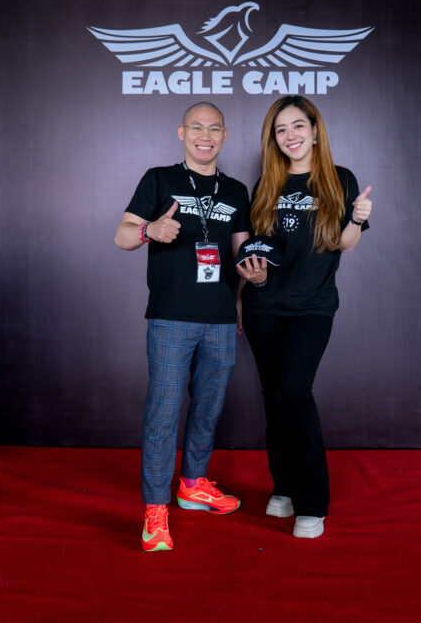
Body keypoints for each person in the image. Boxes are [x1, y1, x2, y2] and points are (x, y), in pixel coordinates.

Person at [115, 101, 251, 552]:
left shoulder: (236, 191)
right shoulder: (159, 179)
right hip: (171, 316)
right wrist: (149, 231)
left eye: (214, 129)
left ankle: (193, 484)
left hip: (219, 320)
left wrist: (245, 290)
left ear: (224, 136)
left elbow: (241, 253)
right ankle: (155, 509)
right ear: (182, 133)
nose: (205, 136)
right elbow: (122, 235)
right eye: (197, 127)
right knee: (163, 411)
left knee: (208, 408)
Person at [237, 95, 372, 539]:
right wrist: (248, 287)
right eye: (281, 129)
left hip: (312, 307)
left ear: (315, 130)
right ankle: (284, 487)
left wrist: (357, 219)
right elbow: (256, 251)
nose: (290, 135)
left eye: (298, 126)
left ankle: (312, 502)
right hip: (263, 305)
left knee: (295, 390)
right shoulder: (267, 183)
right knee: (274, 398)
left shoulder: (339, 179)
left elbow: (343, 245)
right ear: (273, 139)